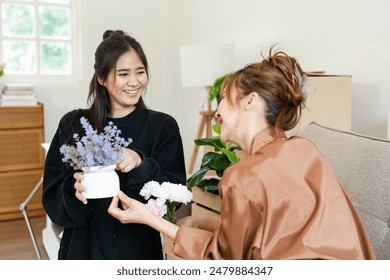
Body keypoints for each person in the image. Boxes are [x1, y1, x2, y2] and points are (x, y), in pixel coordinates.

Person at [108, 46, 376, 260]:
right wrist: (210, 224)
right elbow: (275, 237)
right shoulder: (304, 149)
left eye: (223, 97)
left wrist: (150, 219)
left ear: (250, 101)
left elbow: (224, 263)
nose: (217, 110)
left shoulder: (243, 177)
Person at [42, 30, 187, 260]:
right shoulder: (73, 124)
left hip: (137, 254)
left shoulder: (163, 126)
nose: (134, 82)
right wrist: (74, 189)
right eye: (123, 74)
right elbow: (52, 201)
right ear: (101, 78)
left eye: (140, 72)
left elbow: (175, 197)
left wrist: (141, 164)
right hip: (81, 253)